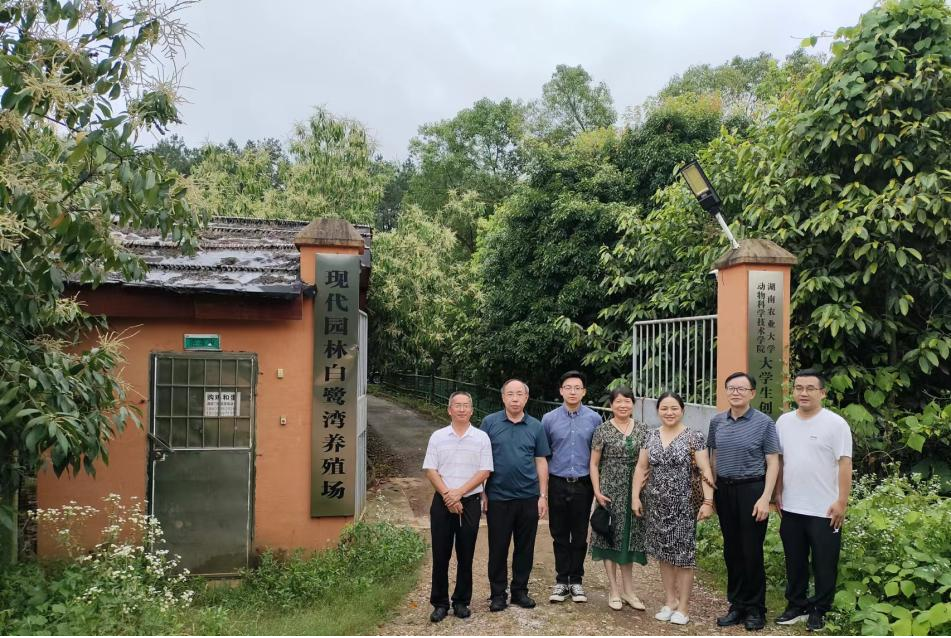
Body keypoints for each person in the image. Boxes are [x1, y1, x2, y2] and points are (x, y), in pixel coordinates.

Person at [774, 369, 852, 632]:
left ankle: (819, 609)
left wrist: (842, 502)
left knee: (824, 562)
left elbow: (845, 464)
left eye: (810, 388)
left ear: (822, 393)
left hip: (825, 508)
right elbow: (780, 460)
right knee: (794, 560)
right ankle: (796, 605)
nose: (803, 393)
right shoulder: (783, 422)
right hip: (791, 505)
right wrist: (777, 492)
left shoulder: (836, 424)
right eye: (799, 388)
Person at [632, 392, 715, 626]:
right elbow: (641, 468)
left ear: (682, 410)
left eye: (674, 408)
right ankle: (670, 601)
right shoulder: (650, 436)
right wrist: (635, 497)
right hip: (656, 505)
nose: (669, 413)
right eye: (664, 408)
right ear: (658, 411)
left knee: (684, 557)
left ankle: (684, 607)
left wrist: (708, 502)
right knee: (663, 555)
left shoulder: (694, 437)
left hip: (684, 505)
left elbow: (705, 470)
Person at [708, 371, 780, 631]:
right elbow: (714, 457)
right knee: (732, 550)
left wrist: (765, 498)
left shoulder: (764, 423)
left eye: (741, 388)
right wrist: (712, 493)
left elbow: (773, 462)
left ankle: (756, 608)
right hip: (725, 490)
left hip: (752, 490)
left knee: (751, 551)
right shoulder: (717, 421)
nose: (735, 392)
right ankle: (736, 605)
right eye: (731, 388)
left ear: (752, 393)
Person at [422, 391, 493, 622]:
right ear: (449, 410)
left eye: (466, 405)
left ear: (472, 410)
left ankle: (461, 601)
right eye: (457, 405)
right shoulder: (438, 436)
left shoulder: (481, 437)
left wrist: (459, 493)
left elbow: (485, 471)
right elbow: (431, 470)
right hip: (442, 502)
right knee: (440, 554)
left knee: (466, 553)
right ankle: (440, 603)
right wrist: (448, 496)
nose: (461, 409)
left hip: (469, 502)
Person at [481, 379, 551, 612]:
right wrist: (482, 492)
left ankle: (520, 591)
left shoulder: (536, 426)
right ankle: (497, 594)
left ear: (526, 398)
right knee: (498, 548)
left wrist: (543, 495)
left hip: (528, 497)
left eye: (519, 394)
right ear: (503, 397)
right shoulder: (490, 423)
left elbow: (541, 460)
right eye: (510, 394)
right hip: (498, 497)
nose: (514, 398)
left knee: (525, 548)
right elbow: (481, 460)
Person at [542, 370, 602, 604]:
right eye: (568, 387)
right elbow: (544, 454)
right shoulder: (549, 419)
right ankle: (561, 581)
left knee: (579, 533)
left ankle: (576, 581)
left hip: (583, 484)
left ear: (584, 391)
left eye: (577, 388)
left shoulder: (595, 419)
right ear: (561, 391)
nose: (573, 391)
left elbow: (598, 455)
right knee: (558, 533)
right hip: (557, 482)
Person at [589, 386, 648, 611]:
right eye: (618, 401)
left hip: (635, 493)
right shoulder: (602, 430)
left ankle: (629, 591)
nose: (623, 405)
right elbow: (594, 464)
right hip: (609, 492)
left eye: (627, 401)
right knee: (609, 538)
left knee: (629, 540)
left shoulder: (643, 429)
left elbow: (647, 461)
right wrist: (597, 491)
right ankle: (613, 589)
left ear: (633, 404)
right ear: (611, 405)